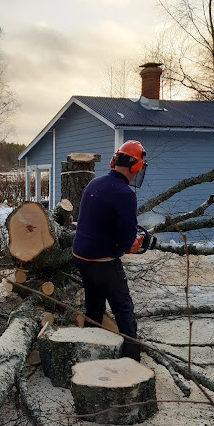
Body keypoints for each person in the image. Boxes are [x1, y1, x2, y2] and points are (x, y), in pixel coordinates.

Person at [72, 140, 147, 361]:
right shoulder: (125, 194)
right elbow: (125, 241)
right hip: (102, 261)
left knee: (94, 306)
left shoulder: (94, 184)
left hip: (81, 257)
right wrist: (133, 243)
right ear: (136, 167)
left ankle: (86, 352)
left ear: (115, 160)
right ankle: (132, 360)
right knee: (123, 308)